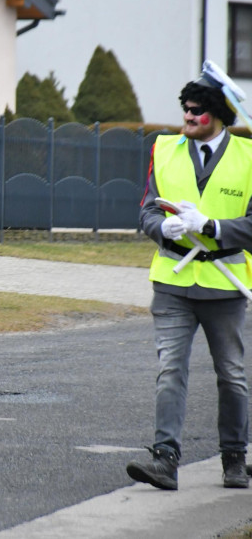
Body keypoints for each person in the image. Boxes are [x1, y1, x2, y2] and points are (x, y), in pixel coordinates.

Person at [127, 65, 252, 490]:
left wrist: (214, 227)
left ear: (217, 115)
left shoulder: (248, 157)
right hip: (172, 282)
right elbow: (146, 210)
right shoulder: (164, 150)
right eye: (185, 109)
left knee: (232, 373)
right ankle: (164, 459)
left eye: (196, 111)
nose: (187, 117)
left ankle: (235, 458)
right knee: (170, 370)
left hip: (225, 287)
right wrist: (161, 228)